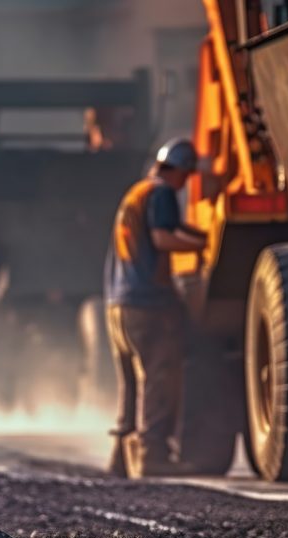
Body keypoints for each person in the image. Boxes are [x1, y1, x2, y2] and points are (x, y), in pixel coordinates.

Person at [104, 138, 207, 478]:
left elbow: (168, 229)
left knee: (132, 382)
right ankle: (153, 455)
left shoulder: (138, 192)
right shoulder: (162, 192)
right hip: (147, 304)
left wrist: (192, 233)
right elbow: (163, 238)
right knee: (160, 378)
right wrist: (203, 244)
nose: (185, 183)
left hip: (118, 305)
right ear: (176, 170)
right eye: (186, 176)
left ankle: (120, 457)